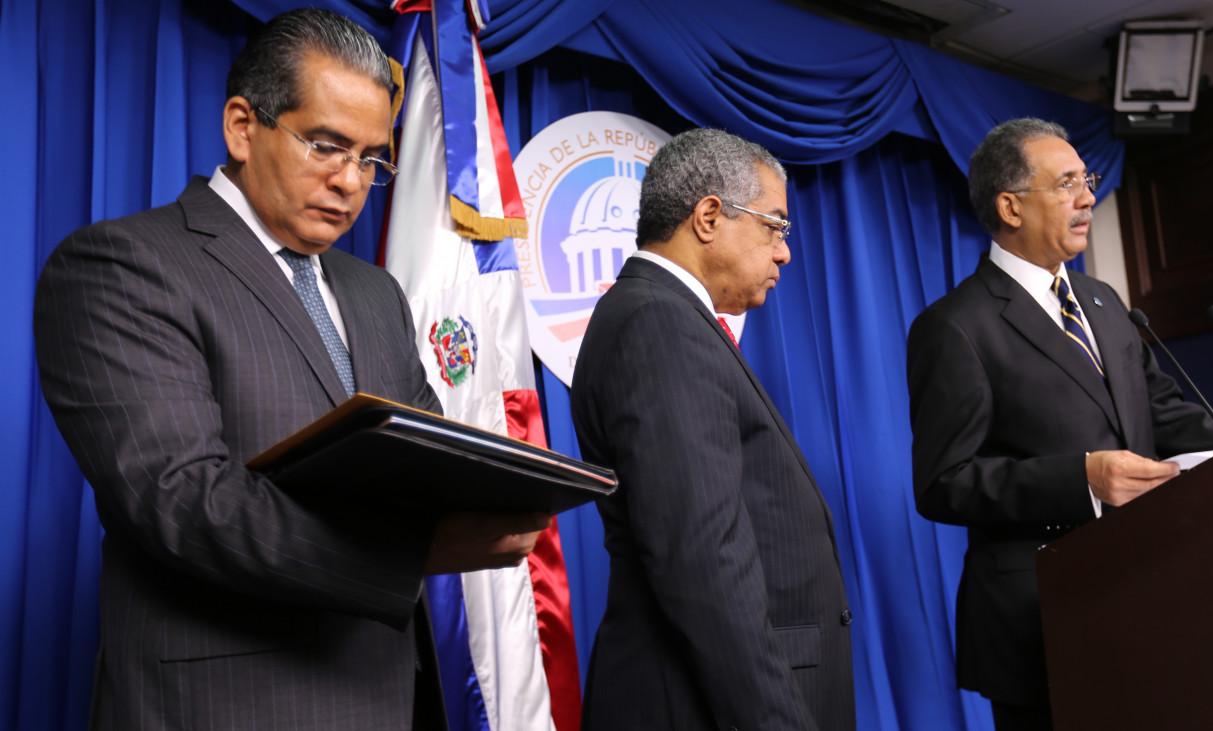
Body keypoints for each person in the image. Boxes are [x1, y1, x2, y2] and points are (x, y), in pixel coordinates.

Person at [33, 9, 548, 730]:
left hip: (384, 699)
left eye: (372, 160)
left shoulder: (376, 293)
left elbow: (427, 458)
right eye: (327, 146)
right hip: (223, 708)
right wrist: (411, 552)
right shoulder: (123, 265)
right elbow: (182, 500)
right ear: (243, 127)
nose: (350, 181)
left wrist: (502, 490)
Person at [906, 117, 1213, 730]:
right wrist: (1081, 478)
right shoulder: (954, 326)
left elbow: (1160, 411)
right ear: (1010, 207)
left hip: (1147, 591)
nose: (1087, 198)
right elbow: (944, 482)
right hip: (1041, 614)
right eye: (1066, 184)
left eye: (1088, 180)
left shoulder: (1103, 300)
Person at [569, 128, 855, 731]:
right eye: (775, 227)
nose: (784, 252)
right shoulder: (659, 323)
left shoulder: (667, 317)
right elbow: (704, 558)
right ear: (708, 217)